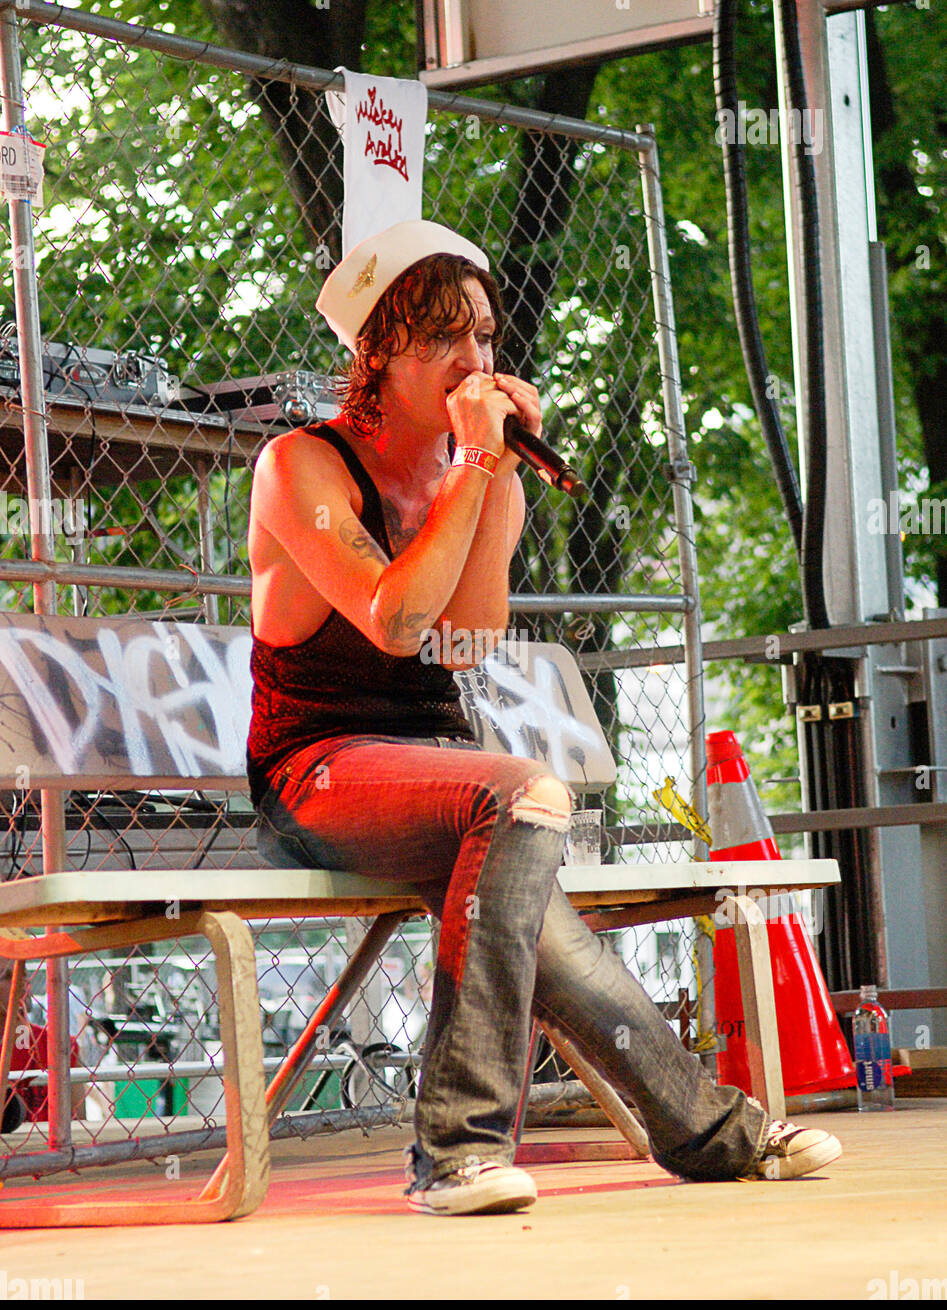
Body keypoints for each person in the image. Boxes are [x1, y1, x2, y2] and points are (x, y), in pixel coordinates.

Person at [246, 219, 842, 1216]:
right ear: (376, 352)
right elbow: (396, 620)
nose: (474, 361)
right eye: (444, 337)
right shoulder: (300, 466)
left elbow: (464, 642)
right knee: (523, 795)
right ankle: (456, 1152)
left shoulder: (477, 479)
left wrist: (487, 482)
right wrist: (473, 475)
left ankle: (714, 1135)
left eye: (484, 335)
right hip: (318, 774)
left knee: (559, 942)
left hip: (442, 779)